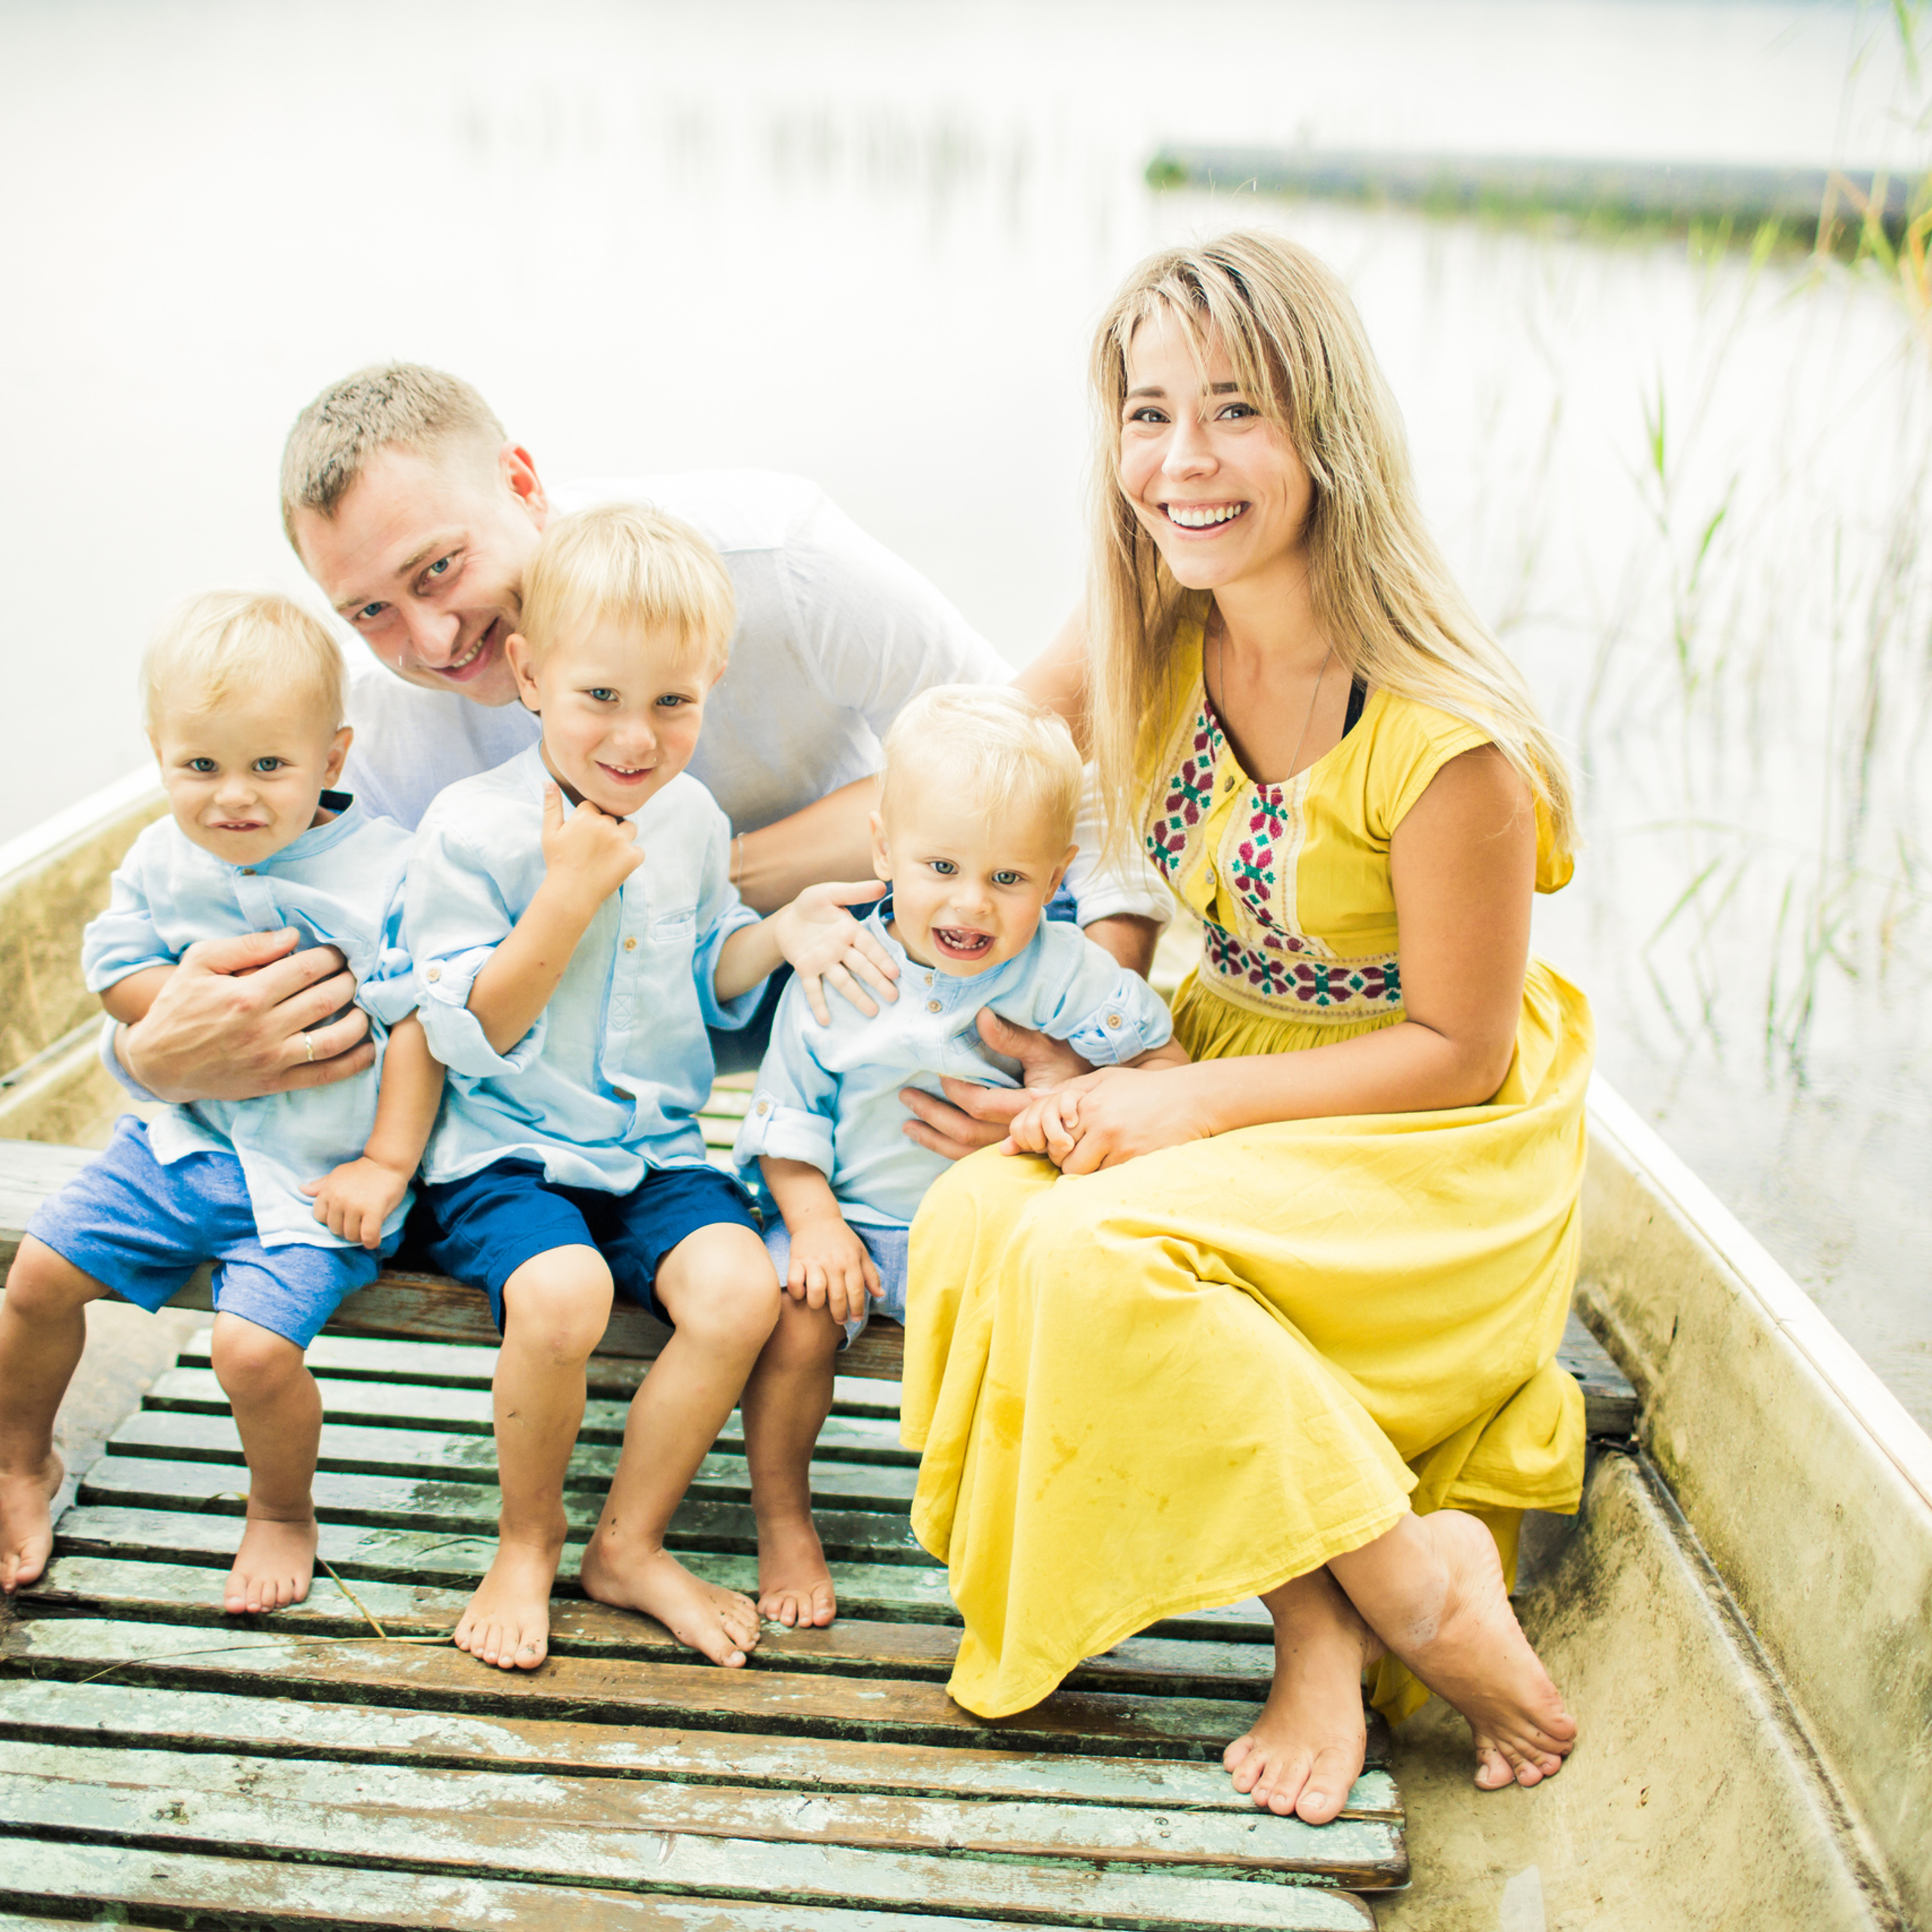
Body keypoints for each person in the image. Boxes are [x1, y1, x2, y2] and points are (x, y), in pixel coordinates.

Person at [902, 232, 1594, 1822]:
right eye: (1147, 414)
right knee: (969, 1220)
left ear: (1325, 431)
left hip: (1421, 1130)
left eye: (1233, 410)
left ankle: (1374, 1600)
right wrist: (785, 896)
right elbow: (964, 773)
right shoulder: (1149, 625)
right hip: (1214, 1048)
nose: (1181, 461)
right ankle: (1355, 1580)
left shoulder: (1442, 736)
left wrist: (1169, 1111)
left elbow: (1459, 1048)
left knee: (1091, 1251)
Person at [93, 366, 1167, 1121]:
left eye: (437, 569)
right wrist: (144, 1057)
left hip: (893, 974)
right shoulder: (378, 722)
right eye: (368, 612)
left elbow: (1054, 770)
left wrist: (1080, 1045)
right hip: (604, 1073)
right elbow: (219, 904)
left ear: (523, 482)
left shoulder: (773, 562)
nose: (430, 639)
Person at [407, 503, 895, 1674]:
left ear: (712, 680)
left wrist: (776, 935)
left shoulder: (690, 820)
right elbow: (466, 1031)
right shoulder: (471, 833)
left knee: (740, 1292)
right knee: (565, 1294)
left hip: (653, 1148)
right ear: (529, 675)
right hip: (508, 1153)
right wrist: (563, 897)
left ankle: (628, 1544)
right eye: (601, 699)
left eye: (673, 702)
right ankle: (528, 1540)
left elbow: (705, 980)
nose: (636, 737)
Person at [0, 594, 441, 1611]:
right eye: (200, 767)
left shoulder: (386, 874)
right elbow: (115, 972)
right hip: (179, 1142)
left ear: (333, 759)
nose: (232, 798)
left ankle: (282, 1510)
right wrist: (195, 1009)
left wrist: (386, 1164)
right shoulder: (162, 857)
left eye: (268, 767)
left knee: (251, 1351)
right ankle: (23, 1464)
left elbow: (421, 1027)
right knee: (35, 1277)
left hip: (315, 1175)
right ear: (159, 753)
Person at [733, 685, 1182, 1626]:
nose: (971, 903)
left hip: (986, 1237)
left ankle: (1010, 1537)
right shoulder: (844, 969)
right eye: (940, 865)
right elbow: (785, 1115)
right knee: (790, 1326)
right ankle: (783, 1516)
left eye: (1009, 879)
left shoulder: (1059, 971)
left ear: (1058, 875)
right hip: (845, 1223)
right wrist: (812, 1224)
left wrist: (1071, 1093)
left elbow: (1160, 1065)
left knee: (1042, 1345)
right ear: (884, 849)